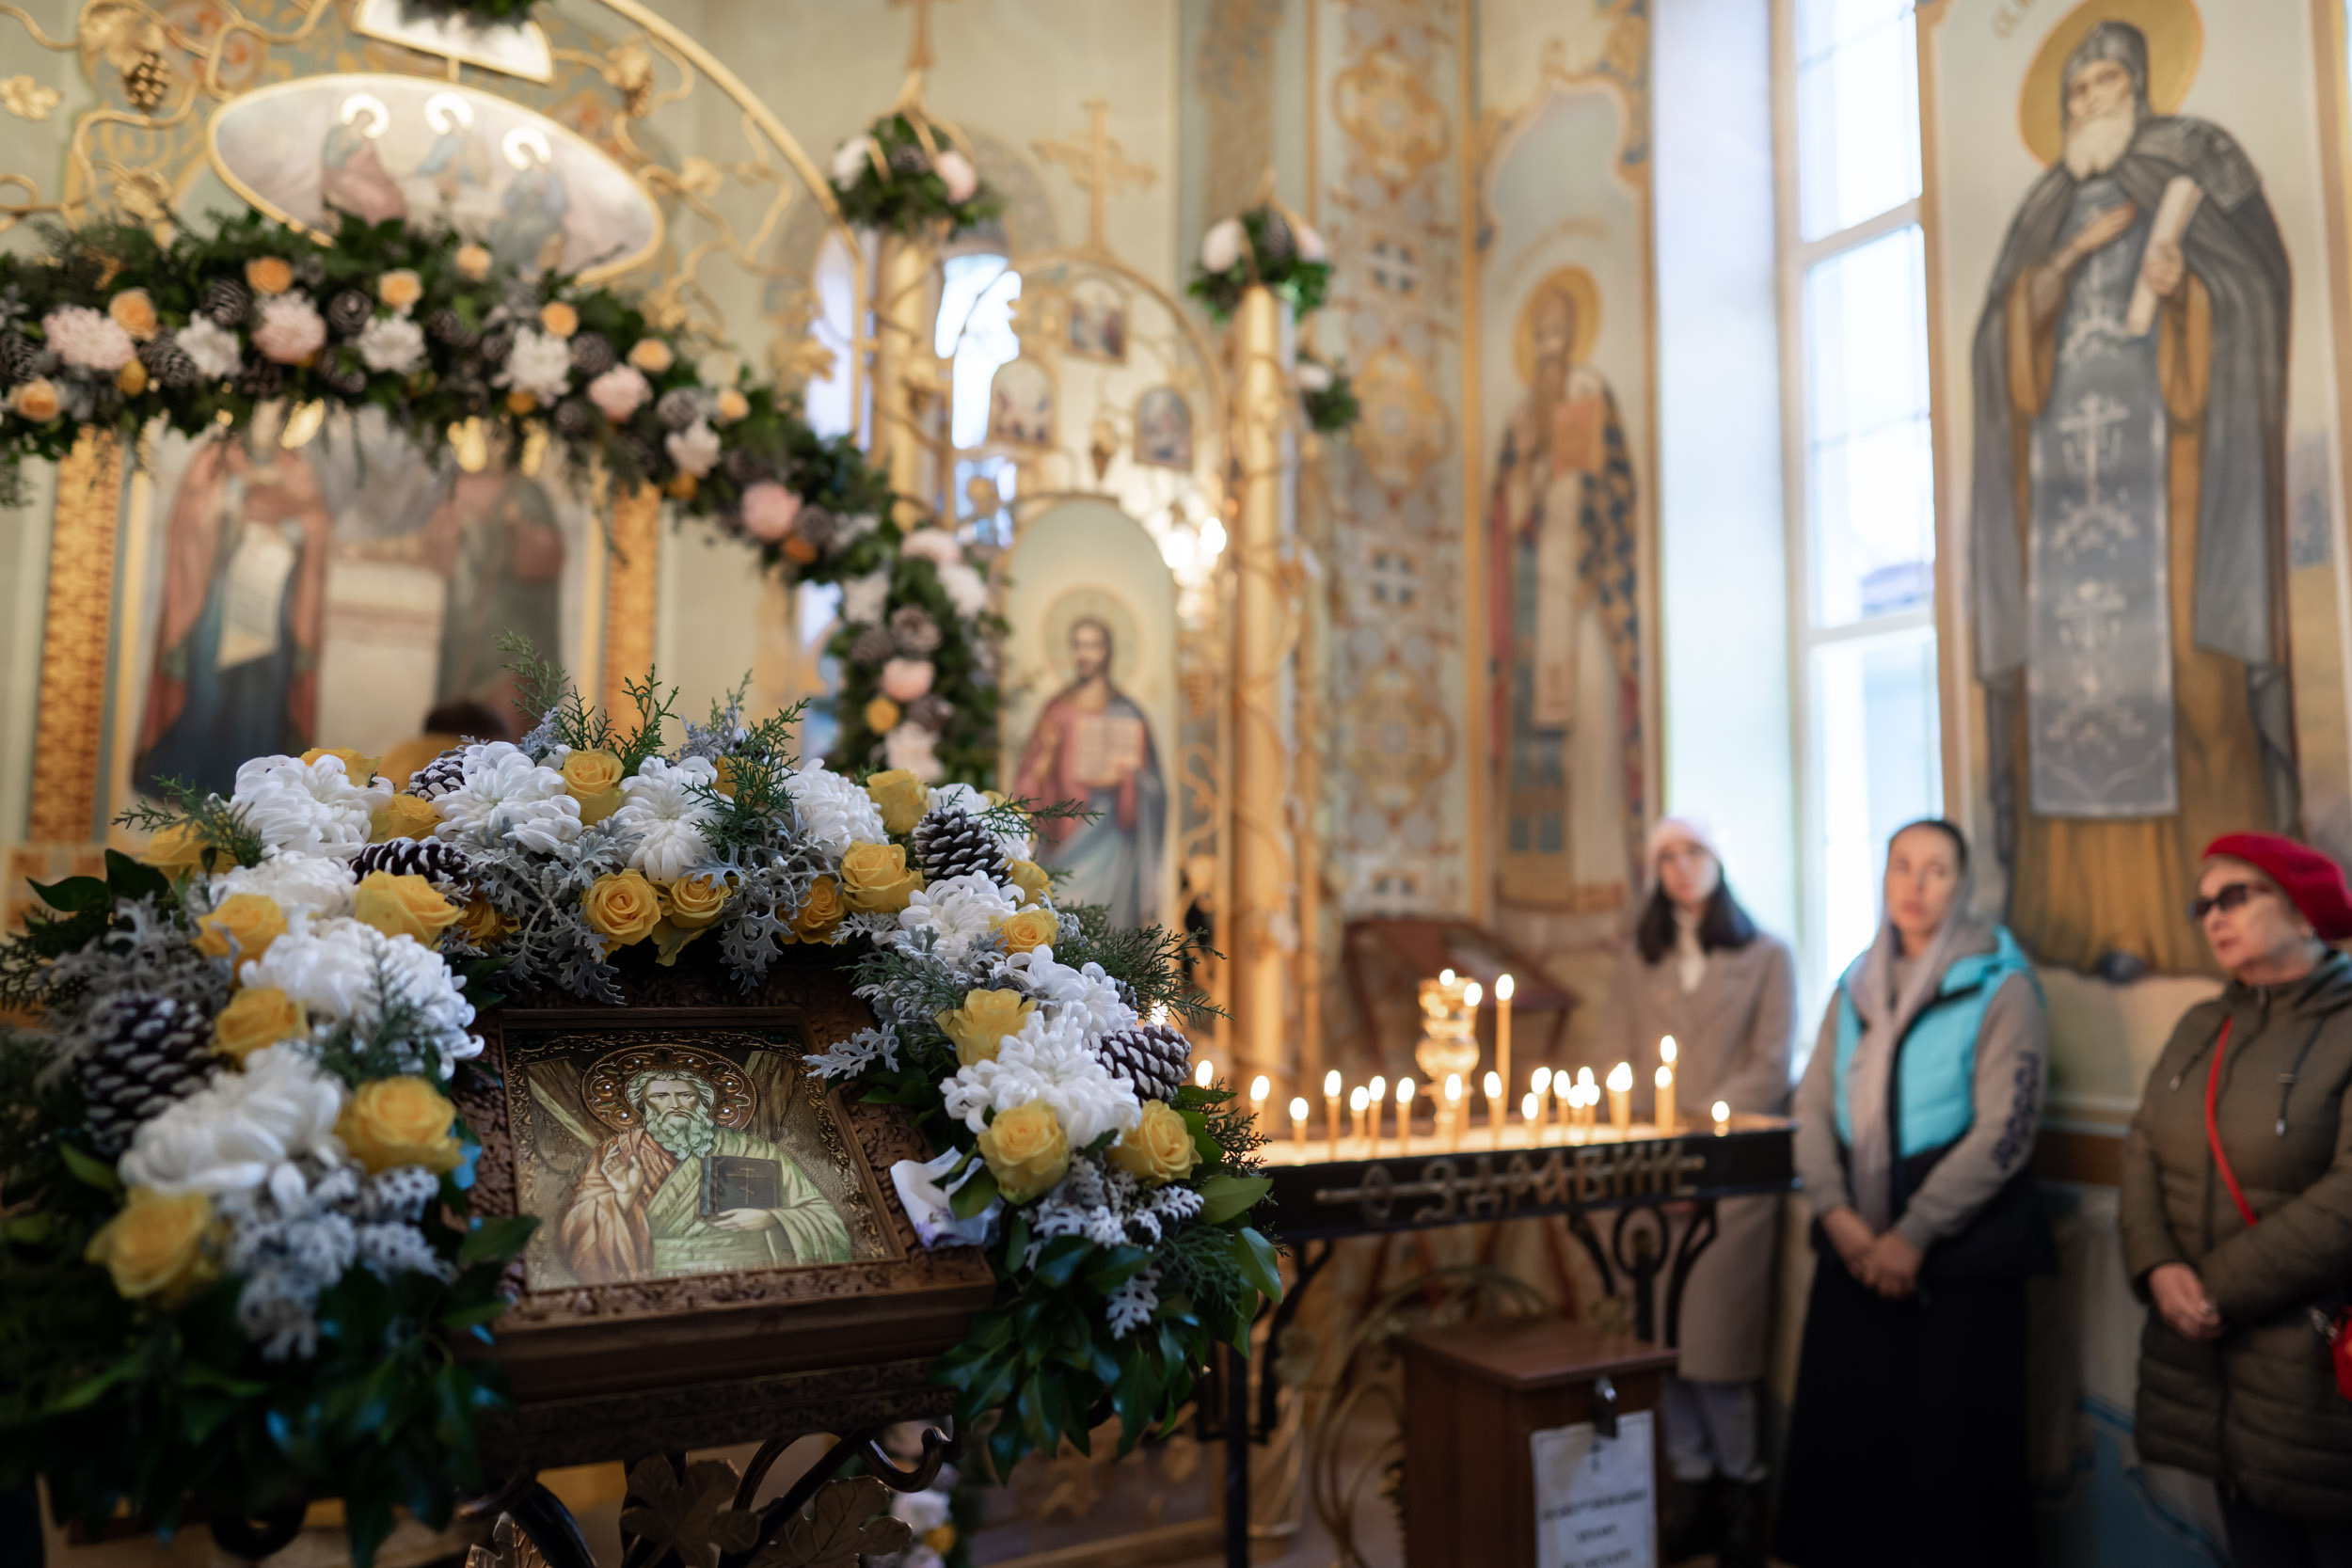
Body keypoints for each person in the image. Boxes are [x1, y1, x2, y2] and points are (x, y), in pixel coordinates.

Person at [1968, 19, 2294, 978]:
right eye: (2074, 93)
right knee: (2065, 704)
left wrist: (2187, 289)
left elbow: (2257, 291)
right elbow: (2000, 358)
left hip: (2175, 491)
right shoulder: (2042, 212)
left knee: (2194, 690)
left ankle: (2195, 922)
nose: (2088, 104)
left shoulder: (2198, 169)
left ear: (2140, 88)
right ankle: (2079, 922)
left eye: (2104, 83)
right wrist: (2062, 270)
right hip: (2061, 507)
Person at [1776, 819, 2054, 1568]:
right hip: (1853, 1256)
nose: (1916, 885)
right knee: (1850, 1465)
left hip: (1957, 1263)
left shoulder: (2000, 982)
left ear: (1961, 885)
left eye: (1935, 870)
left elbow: (2007, 1128)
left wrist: (1912, 1235)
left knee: (1947, 1480)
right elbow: (1808, 1110)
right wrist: (1837, 1215)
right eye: (1902, 866)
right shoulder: (1855, 983)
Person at [2119, 832, 2352, 1565]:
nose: (2213, 915)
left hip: (2311, 1364)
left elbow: (2348, 1197)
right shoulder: (2201, 1025)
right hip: (2210, 1367)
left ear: (2305, 910)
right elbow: (2142, 1148)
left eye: (2235, 896)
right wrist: (2158, 1266)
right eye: (2204, 903)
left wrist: (2210, 1286)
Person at [1597, 816, 1793, 1568]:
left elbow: (1769, 1062)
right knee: (1664, 1347)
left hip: (1730, 1176)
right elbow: (1613, 1053)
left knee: (1720, 1351)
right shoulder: (1638, 961)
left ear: (1718, 860)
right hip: (1648, 1176)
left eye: (1694, 852)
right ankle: (1693, 1488)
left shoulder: (1766, 954)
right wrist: (1655, 1155)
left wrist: (1698, 1155)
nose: (1682, 868)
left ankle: (1743, 1491)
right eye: (1667, 856)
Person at [558, 1066, 850, 1283]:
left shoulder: (753, 1148)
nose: (674, 1104)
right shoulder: (617, 1153)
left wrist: (772, 1218)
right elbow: (580, 1232)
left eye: (685, 1095)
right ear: (643, 1106)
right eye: (660, 1096)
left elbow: (822, 1217)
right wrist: (622, 1197)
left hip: (751, 1279)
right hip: (659, 1281)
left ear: (701, 1102)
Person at [1009, 616, 1167, 928]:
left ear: (1108, 651)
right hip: (1065, 839)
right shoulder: (1057, 711)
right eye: (1079, 646)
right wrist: (1048, 756)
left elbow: (1156, 790)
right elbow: (1027, 783)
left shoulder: (1129, 712)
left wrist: (1129, 779)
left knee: (1110, 934)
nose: (1085, 654)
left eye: (1093, 645)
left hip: (1116, 842)